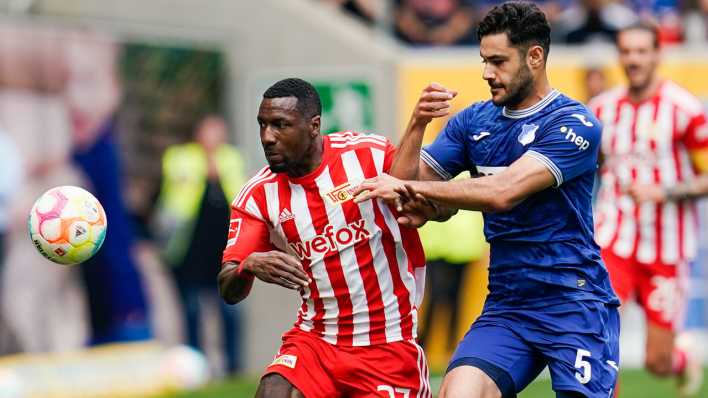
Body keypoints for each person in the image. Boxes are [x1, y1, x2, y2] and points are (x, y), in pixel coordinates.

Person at [354, 2, 620, 397]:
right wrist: (416, 126)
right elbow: (406, 197)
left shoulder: (574, 123)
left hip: (573, 300)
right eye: (483, 60)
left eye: (498, 61)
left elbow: (503, 192)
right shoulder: (472, 122)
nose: (486, 73)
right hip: (508, 303)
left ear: (535, 56)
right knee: (457, 393)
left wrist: (419, 193)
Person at [218, 78, 430, 397]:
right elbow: (228, 288)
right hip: (316, 341)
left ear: (314, 125)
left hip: (387, 341)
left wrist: (418, 124)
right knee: (273, 391)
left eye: (280, 125)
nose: (267, 137)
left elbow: (423, 197)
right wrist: (248, 264)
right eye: (262, 125)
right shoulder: (258, 195)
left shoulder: (369, 156)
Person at [589, 22, 708, 397]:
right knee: (598, 332)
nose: (634, 59)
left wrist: (665, 191)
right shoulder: (602, 109)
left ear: (657, 54)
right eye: (627, 51)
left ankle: (681, 360)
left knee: (657, 361)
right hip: (613, 238)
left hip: (666, 247)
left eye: (642, 51)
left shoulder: (684, 110)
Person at [155, 115, 245, 374]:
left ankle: (232, 366)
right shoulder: (180, 156)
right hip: (190, 246)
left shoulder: (232, 157)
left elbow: (239, 188)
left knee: (230, 311)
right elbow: (175, 184)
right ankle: (196, 366)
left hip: (225, 247)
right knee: (192, 309)